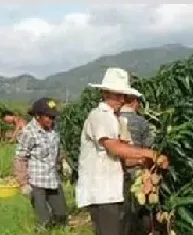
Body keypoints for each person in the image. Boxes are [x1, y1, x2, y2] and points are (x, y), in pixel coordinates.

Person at [76, 67, 169, 235]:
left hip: (118, 191)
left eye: (123, 95)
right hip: (102, 192)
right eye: (117, 95)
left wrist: (145, 163)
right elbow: (114, 147)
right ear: (105, 93)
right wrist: (150, 154)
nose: (121, 99)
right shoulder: (99, 115)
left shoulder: (119, 120)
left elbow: (125, 158)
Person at [13, 97, 67, 232]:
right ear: (37, 116)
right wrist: (23, 183)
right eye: (48, 116)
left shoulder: (54, 129)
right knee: (44, 219)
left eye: (53, 116)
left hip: (53, 178)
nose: (52, 119)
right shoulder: (29, 133)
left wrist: (63, 161)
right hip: (37, 181)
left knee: (61, 214)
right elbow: (20, 158)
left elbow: (58, 148)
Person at [119, 94, 155, 235]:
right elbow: (148, 148)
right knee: (141, 208)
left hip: (117, 172)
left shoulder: (112, 119)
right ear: (135, 102)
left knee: (123, 210)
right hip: (138, 171)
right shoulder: (141, 122)